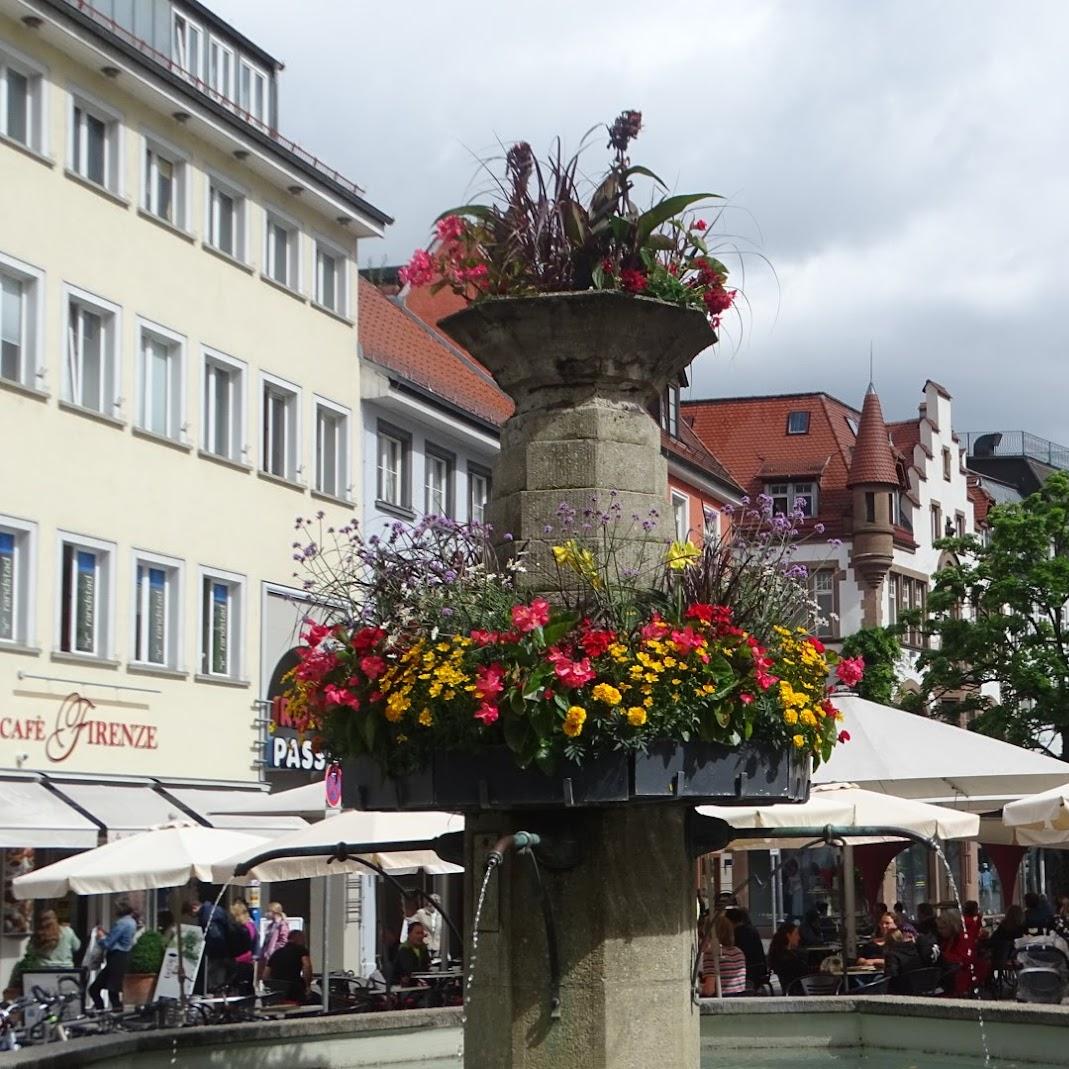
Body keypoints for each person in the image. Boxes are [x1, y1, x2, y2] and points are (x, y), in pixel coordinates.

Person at [89, 902, 137, 1011]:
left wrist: (100, 937)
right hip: (124, 957)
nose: (114, 911)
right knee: (112, 990)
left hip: (116, 958)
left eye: (116, 908)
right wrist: (106, 933)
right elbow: (118, 938)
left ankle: (104, 1013)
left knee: (99, 989)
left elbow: (108, 943)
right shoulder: (131, 922)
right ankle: (113, 1015)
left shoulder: (121, 923)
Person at [701, 912, 747, 997]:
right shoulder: (739, 952)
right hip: (739, 1001)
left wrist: (698, 988)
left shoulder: (712, 954)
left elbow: (709, 991)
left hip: (721, 1003)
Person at [265, 929, 314, 1003]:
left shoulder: (276, 953)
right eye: (304, 939)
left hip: (277, 990)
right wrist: (308, 985)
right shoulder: (301, 950)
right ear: (299, 938)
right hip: (294, 988)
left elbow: (265, 974)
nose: (304, 942)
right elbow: (307, 966)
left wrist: (271, 986)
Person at [725, 907, 768, 989]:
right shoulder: (752, 929)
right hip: (759, 970)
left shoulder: (738, 933)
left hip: (748, 973)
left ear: (730, 922)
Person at [768, 920, 808, 995]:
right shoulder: (790, 960)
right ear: (788, 936)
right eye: (796, 934)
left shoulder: (777, 954)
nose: (799, 937)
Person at [986, 904, 1025, 971]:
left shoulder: (1002, 928)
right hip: (1015, 960)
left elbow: (991, 941)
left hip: (998, 959)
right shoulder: (1021, 929)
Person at [258, 902, 290, 984]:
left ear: (274, 912)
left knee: (273, 979)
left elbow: (284, 941)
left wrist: (274, 950)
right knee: (265, 979)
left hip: (274, 957)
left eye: (268, 911)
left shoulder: (282, 925)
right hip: (266, 957)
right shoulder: (271, 925)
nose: (267, 914)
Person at [230, 901, 257, 993]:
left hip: (243, 964)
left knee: (243, 989)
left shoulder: (247, 927)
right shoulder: (248, 926)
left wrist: (236, 960)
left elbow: (249, 949)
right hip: (244, 963)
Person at [394, 919, 431, 985]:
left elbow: (427, 965)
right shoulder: (404, 948)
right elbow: (408, 969)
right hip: (405, 985)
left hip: (422, 982)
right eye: (417, 933)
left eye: (421, 933)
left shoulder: (423, 948)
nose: (420, 936)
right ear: (409, 934)